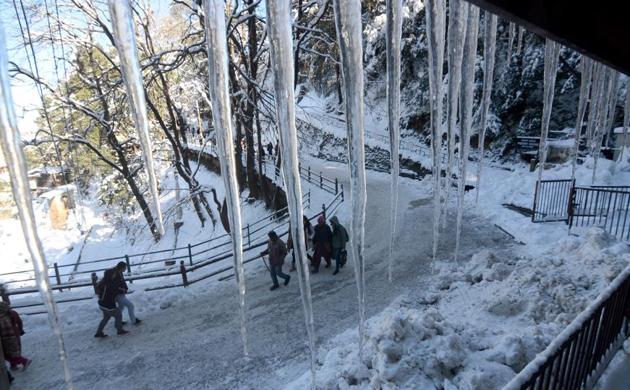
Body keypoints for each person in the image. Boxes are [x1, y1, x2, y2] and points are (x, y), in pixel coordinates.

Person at [94, 269, 128, 338]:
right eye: (114, 274)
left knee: (106, 317)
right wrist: (123, 290)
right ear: (111, 275)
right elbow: (116, 290)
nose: (114, 275)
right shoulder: (110, 284)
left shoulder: (102, 282)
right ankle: (119, 330)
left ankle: (98, 332)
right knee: (118, 314)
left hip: (101, 304)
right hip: (108, 305)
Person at [0, 302, 30, 371]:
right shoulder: (13, 312)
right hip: (16, 333)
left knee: (7, 353)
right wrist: (20, 329)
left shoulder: (2, 317)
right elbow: (19, 321)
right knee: (15, 350)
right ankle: (13, 365)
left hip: (7, 337)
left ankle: (24, 361)